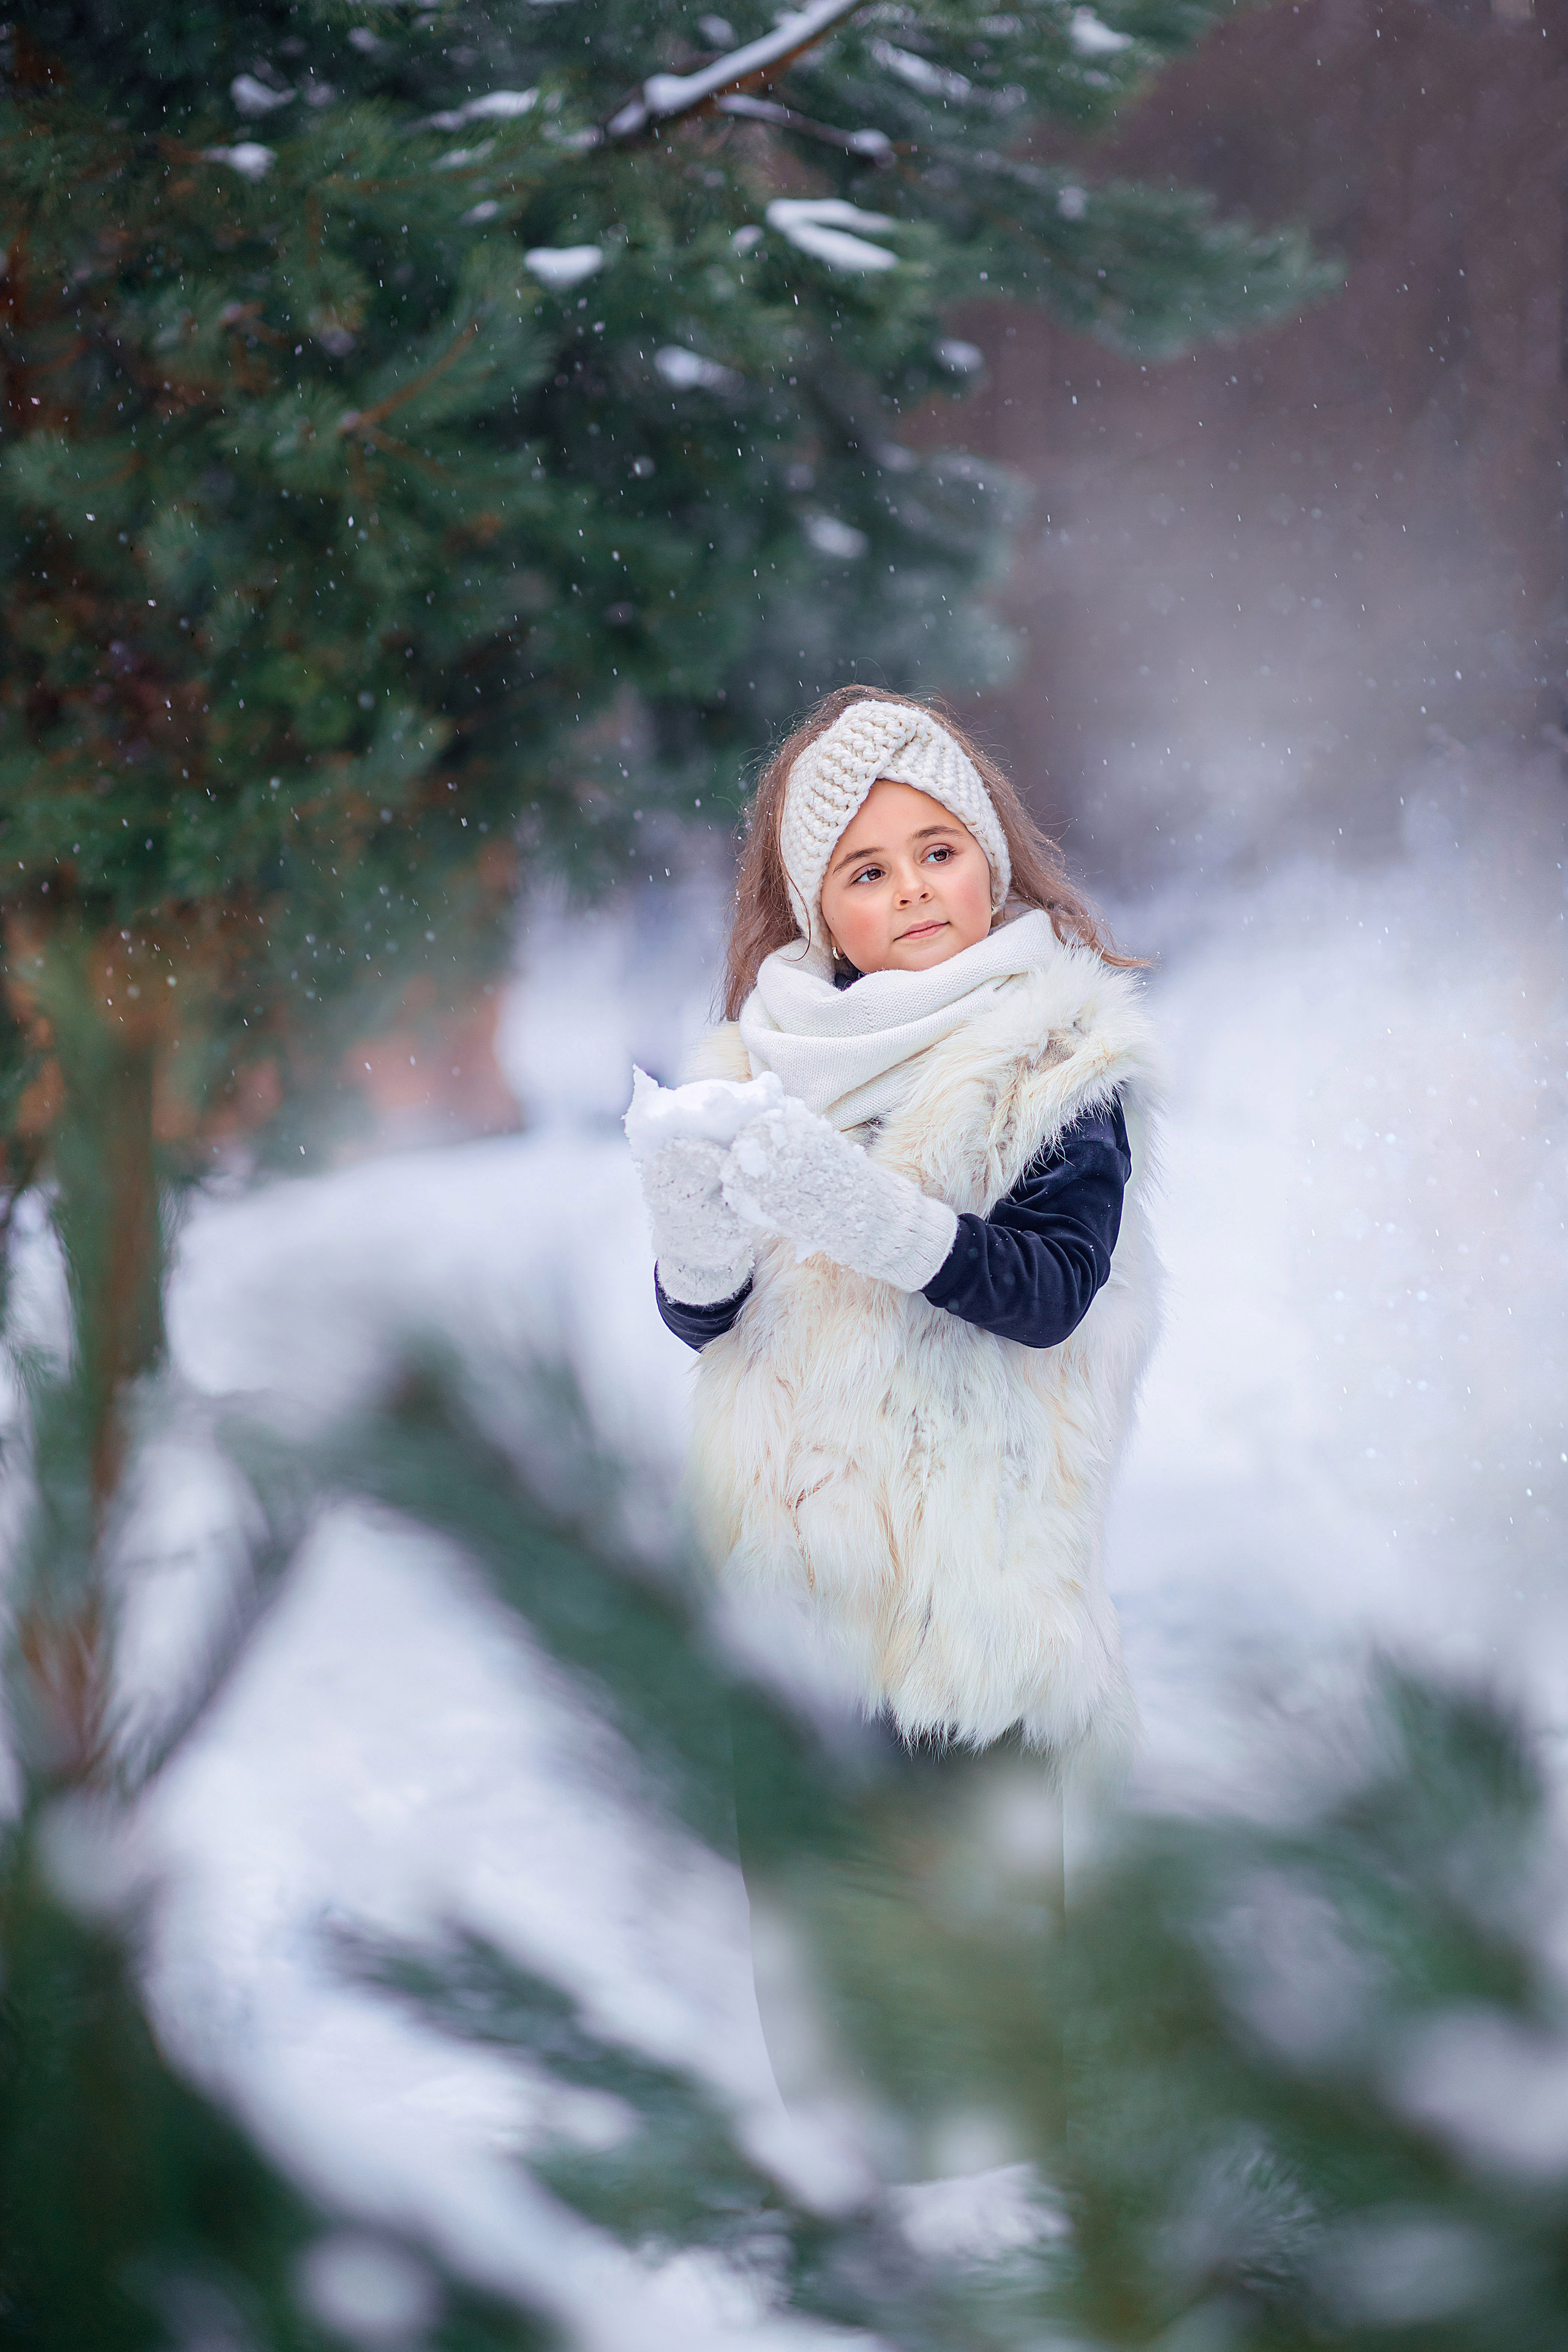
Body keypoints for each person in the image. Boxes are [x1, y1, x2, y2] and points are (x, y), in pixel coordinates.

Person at [628, 684, 1161, 1862]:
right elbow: (709, 1319)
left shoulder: (1060, 1057)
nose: (913, 886)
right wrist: (691, 1221)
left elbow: (1051, 1288)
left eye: (937, 850)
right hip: (792, 1628)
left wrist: (870, 1214)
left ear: (991, 863)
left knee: (985, 2015)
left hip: (969, 1633)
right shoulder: (759, 1068)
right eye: (866, 872)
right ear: (819, 914)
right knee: (816, 2010)